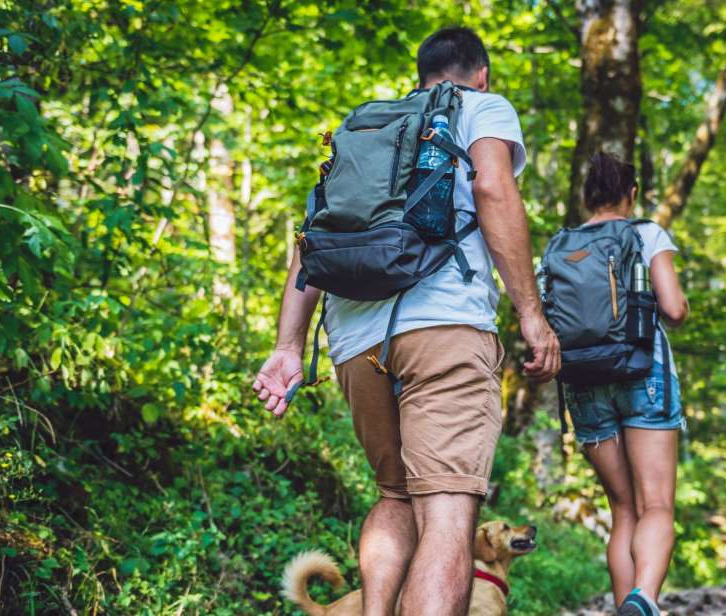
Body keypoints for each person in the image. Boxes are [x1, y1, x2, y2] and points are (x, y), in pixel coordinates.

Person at [251, 27, 560, 616]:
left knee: (394, 494)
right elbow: (493, 187)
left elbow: (311, 234)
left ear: (420, 74)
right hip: (443, 327)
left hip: (354, 339)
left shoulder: (365, 127)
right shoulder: (481, 107)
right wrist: (531, 314)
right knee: (448, 509)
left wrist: (288, 345)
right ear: (481, 74)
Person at [566, 153, 689, 616]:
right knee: (655, 505)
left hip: (583, 381)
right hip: (643, 373)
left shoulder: (561, 245)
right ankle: (643, 598)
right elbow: (673, 310)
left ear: (586, 197)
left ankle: (626, 606)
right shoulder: (645, 233)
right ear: (631, 194)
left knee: (622, 509)